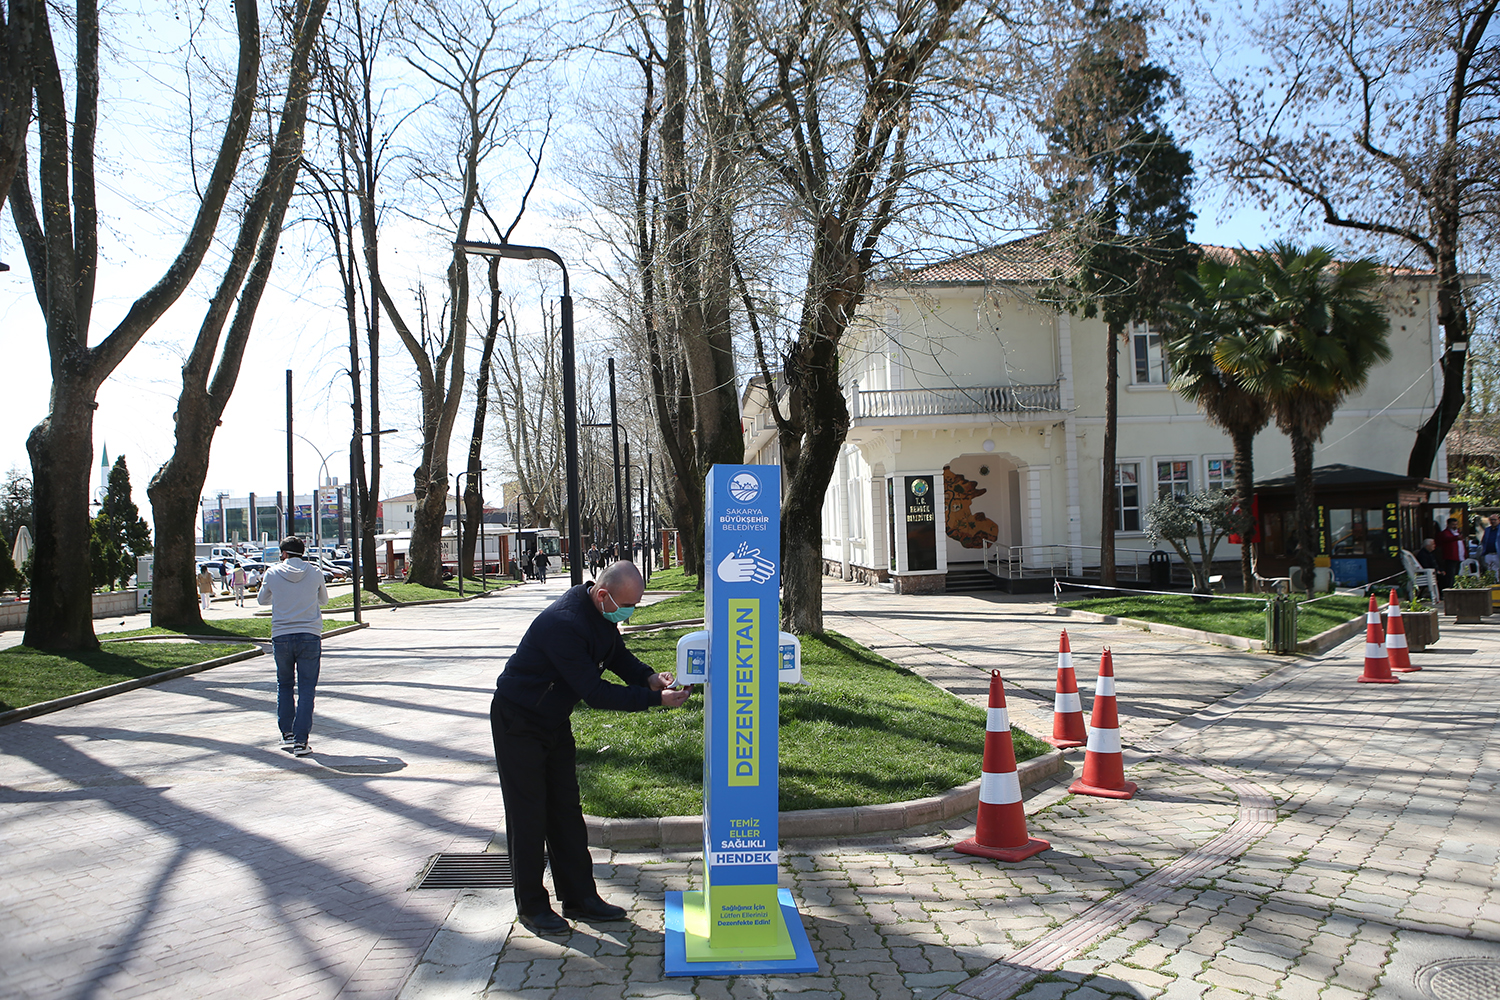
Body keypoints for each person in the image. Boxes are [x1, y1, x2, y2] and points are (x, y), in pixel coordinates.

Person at [490, 561, 692, 936]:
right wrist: (655, 701)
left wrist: (648, 678)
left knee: (566, 810)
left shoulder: (600, 613)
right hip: (518, 721)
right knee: (529, 815)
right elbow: (595, 693)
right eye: (627, 605)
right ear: (603, 595)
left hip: (552, 719)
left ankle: (580, 897)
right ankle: (532, 906)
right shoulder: (564, 624)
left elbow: (616, 655)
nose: (629, 612)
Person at [258, 537, 329, 757]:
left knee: (285, 684)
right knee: (307, 689)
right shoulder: (315, 572)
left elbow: (262, 600)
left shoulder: (272, 573)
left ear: (284, 553)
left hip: (281, 635)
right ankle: (301, 741)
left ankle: (286, 732)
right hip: (309, 634)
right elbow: (324, 600)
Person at [1437, 517, 1466, 583]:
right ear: (1448, 525)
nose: (1455, 526)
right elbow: (1447, 538)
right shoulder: (1445, 533)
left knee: (1457, 574)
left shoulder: (1458, 532)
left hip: (1459, 557)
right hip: (1451, 557)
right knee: (1451, 575)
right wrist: (1456, 538)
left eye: (1456, 524)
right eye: (1453, 524)